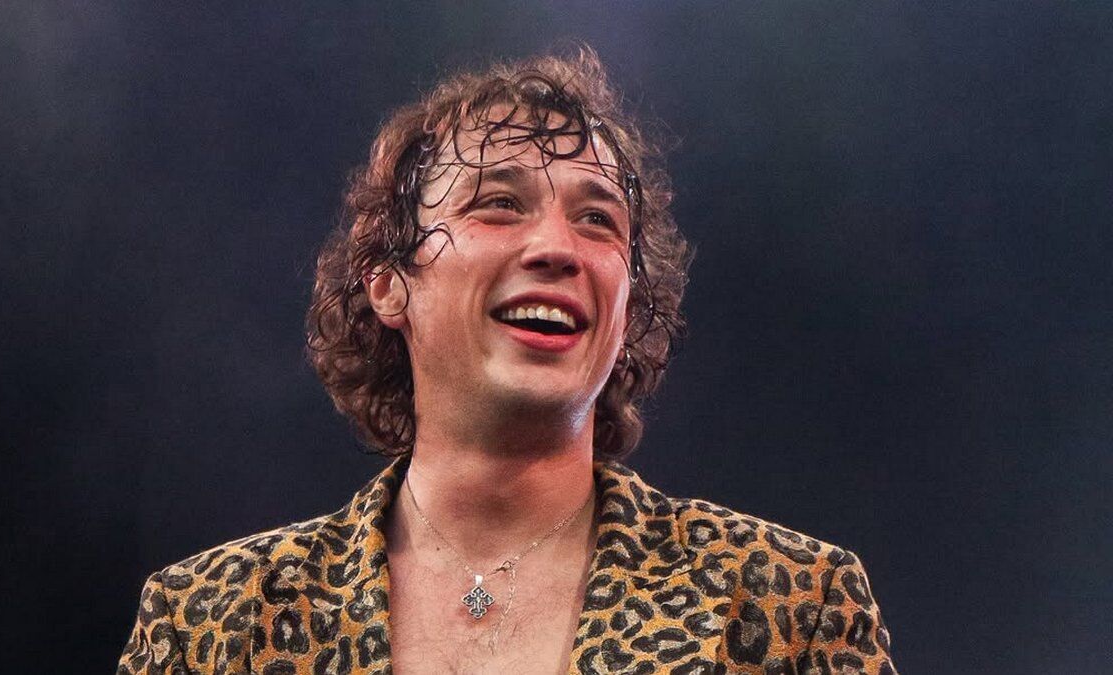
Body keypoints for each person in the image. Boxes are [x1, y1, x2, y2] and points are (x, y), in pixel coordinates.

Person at [118, 48, 898, 675]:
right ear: (388, 282)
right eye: (498, 204)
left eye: (598, 220)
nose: (558, 247)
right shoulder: (215, 621)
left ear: (629, 305)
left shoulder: (788, 603)